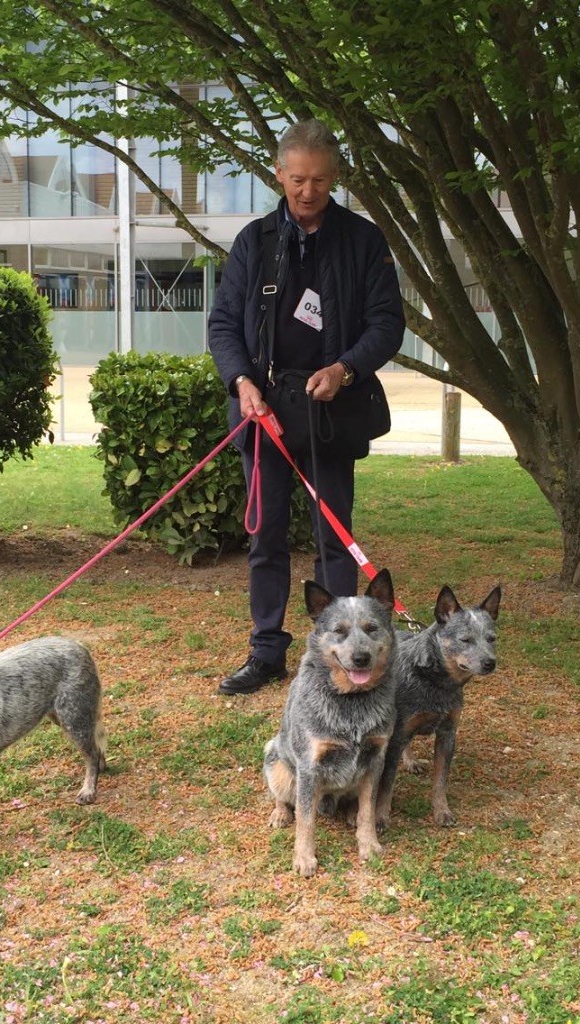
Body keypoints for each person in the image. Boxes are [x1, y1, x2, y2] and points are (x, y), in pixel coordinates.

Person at [208, 119, 405, 696]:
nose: (308, 191)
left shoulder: (363, 241)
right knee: (265, 536)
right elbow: (223, 325)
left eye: (319, 180)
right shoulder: (254, 241)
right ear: (278, 174)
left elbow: (387, 323)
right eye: (297, 179)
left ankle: (335, 655)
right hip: (263, 410)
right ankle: (266, 649)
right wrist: (240, 380)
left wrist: (345, 368)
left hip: (331, 409)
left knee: (333, 538)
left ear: (335, 177)